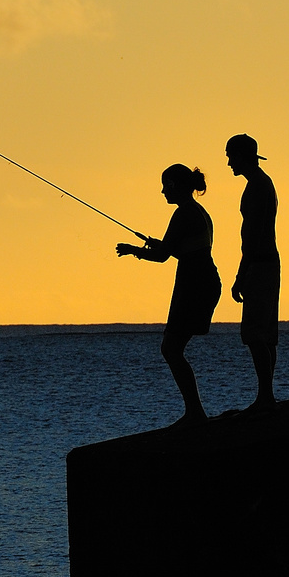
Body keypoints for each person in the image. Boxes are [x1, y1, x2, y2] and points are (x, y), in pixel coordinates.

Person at [117, 163, 221, 425]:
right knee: (173, 347)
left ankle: (195, 412)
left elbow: (163, 256)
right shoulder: (198, 212)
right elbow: (185, 249)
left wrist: (134, 250)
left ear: (175, 185)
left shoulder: (184, 213)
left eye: (165, 185)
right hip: (202, 281)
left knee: (171, 348)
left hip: (194, 285)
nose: (162, 191)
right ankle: (194, 411)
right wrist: (159, 245)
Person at [227, 134, 279, 412]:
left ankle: (266, 397)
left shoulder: (258, 186)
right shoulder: (261, 183)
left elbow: (253, 235)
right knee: (266, 332)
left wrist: (240, 274)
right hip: (266, 262)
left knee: (256, 333)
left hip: (260, 262)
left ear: (241, 157)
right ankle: (266, 395)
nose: (228, 162)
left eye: (230, 156)